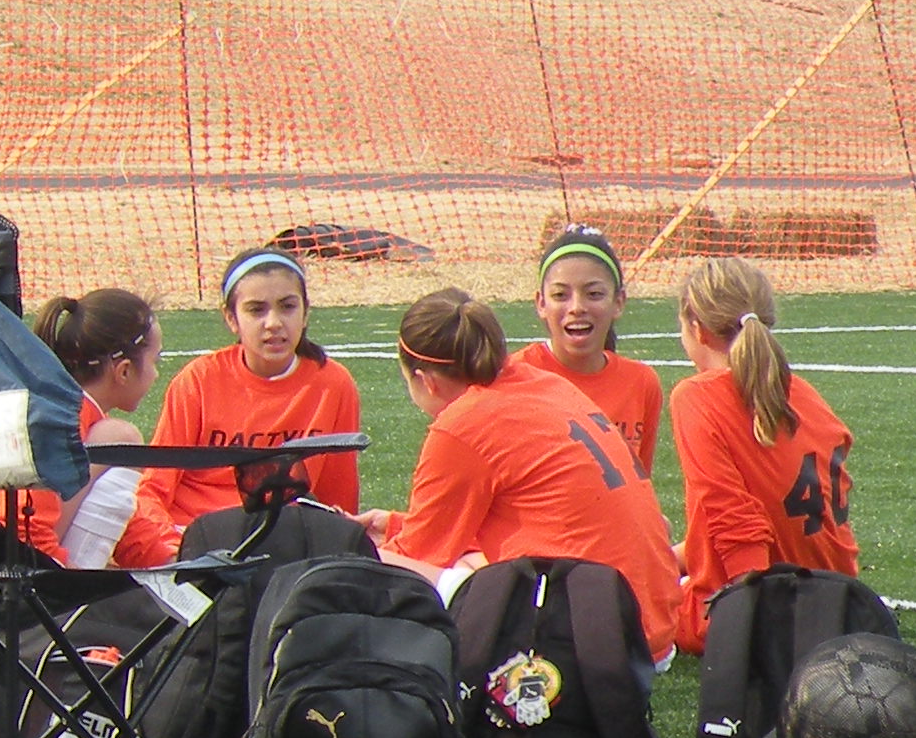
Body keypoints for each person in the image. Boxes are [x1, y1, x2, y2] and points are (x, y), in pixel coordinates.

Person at [368, 287, 688, 661]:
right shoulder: (545, 381)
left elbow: (416, 559)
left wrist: (355, 547)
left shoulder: (461, 424)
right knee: (471, 565)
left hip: (588, 648)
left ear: (427, 381)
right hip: (651, 631)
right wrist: (395, 524)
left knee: (374, 568)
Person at [668, 256, 859, 651]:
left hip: (763, 606)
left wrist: (754, 616)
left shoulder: (697, 396)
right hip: (840, 603)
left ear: (697, 328)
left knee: (612, 601)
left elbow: (735, 519)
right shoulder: (802, 391)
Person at [136, 247, 364, 529]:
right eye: (256, 310)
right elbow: (156, 485)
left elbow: (338, 496)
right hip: (195, 532)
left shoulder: (333, 384)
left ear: (306, 312)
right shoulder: (198, 380)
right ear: (231, 318)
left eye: (287, 307)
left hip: (281, 533)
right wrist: (169, 547)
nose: (274, 323)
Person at [0, 289, 185, 570]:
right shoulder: (53, 420)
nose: (156, 374)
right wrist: (73, 580)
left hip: (25, 567)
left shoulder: (76, 414)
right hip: (21, 578)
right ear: (124, 371)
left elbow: (129, 521)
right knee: (120, 438)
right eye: (156, 361)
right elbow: (20, 532)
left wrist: (174, 564)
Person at [512, 225, 664, 479]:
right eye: (560, 295)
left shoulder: (641, 382)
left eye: (593, 294)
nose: (577, 307)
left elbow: (639, 483)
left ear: (618, 302)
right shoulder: (513, 378)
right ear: (541, 303)